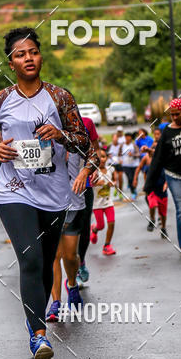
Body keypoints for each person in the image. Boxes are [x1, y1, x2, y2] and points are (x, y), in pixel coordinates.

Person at [0, 27, 90, 359]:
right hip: (14, 191)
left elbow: (83, 141)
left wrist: (60, 135)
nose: (28, 58)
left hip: (54, 193)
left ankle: (37, 317)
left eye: (33, 52)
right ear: (10, 62)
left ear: (40, 56)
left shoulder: (60, 98)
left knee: (45, 262)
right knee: (29, 258)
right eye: (20, 54)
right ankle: (38, 334)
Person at [46, 148, 95, 322]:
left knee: (70, 255)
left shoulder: (75, 137)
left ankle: (72, 284)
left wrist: (89, 171)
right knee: (54, 255)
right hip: (49, 204)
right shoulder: (42, 140)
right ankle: (55, 303)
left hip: (74, 204)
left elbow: (93, 156)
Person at [145, 97, 181, 257]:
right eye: (172, 115)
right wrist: (149, 184)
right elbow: (158, 159)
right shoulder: (167, 132)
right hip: (174, 175)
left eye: (177, 114)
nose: (175, 118)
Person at [76, 115, 101, 285]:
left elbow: (95, 150)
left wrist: (94, 169)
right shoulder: (51, 123)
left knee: (84, 226)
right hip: (57, 186)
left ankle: (81, 262)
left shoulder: (87, 123)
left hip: (84, 184)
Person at [90, 147, 117, 254]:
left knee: (111, 223)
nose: (102, 159)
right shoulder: (93, 172)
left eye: (104, 156)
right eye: (99, 157)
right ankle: (94, 229)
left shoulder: (110, 170)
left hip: (108, 202)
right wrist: (95, 183)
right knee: (101, 226)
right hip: (97, 204)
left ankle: (107, 245)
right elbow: (89, 184)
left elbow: (114, 181)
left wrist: (113, 184)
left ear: (106, 158)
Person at [120, 132, 140, 199]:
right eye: (126, 137)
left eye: (128, 137)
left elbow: (138, 154)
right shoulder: (122, 145)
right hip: (125, 165)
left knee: (134, 178)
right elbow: (119, 154)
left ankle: (134, 189)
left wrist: (133, 155)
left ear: (131, 137)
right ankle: (133, 192)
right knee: (130, 178)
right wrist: (119, 159)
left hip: (134, 165)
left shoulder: (133, 145)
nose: (127, 138)